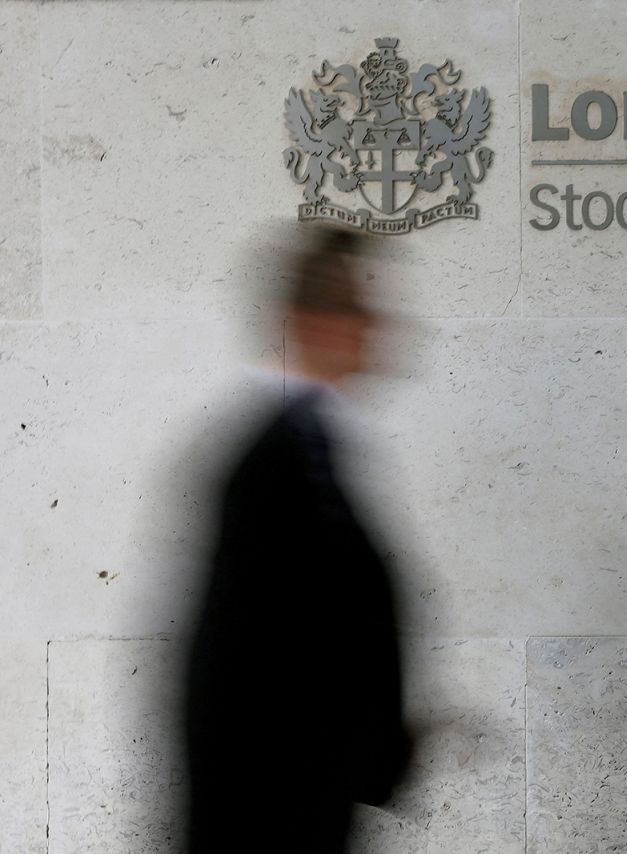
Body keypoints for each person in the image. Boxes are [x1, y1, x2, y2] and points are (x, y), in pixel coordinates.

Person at [183, 228, 411, 853]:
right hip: (271, 813)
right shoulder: (276, 460)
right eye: (356, 307)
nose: (375, 325)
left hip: (302, 802)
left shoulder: (312, 449)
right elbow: (230, 661)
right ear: (304, 322)